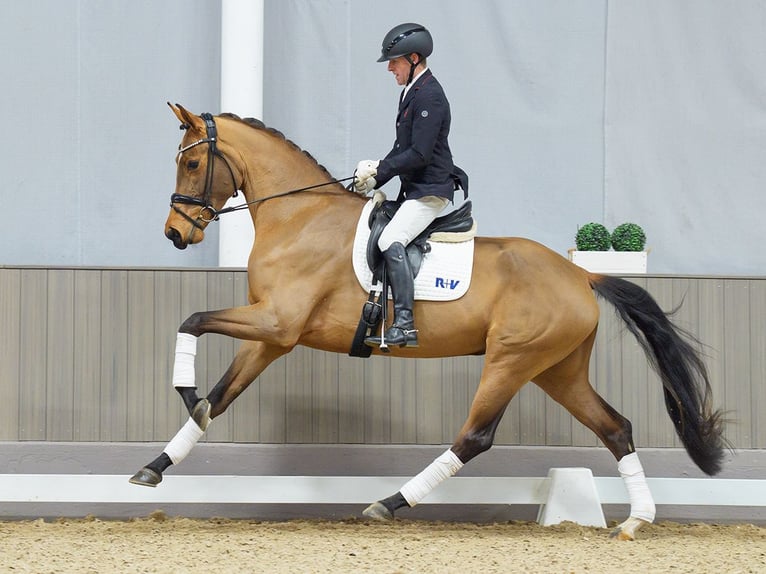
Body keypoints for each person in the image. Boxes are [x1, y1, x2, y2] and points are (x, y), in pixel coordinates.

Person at [355, 22, 468, 349]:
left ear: (414, 58)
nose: (390, 68)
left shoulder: (430, 95)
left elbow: (418, 154)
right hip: (414, 189)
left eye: (396, 61)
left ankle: (404, 323)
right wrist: (376, 175)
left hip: (430, 190)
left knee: (391, 239)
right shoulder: (411, 92)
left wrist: (382, 168)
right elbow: (400, 147)